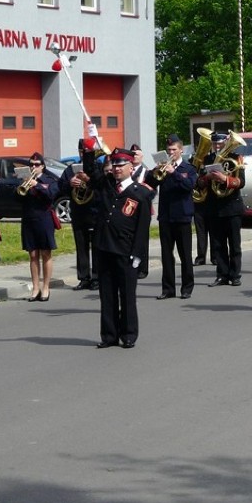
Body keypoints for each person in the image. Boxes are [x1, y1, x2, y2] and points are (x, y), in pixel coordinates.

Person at [87, 147, 152, 349]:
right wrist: (89, 148)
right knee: (107, 296)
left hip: (125, 252)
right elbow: (91, 170)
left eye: (120, 165)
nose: (116, 169)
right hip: (104, 249)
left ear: (130, 167)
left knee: (127, 296)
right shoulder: (106, 185)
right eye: (114, 165)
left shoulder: (140, 193)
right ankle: (109, 335)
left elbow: (142, 229)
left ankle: (129, 334)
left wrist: (138, 256)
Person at [145, 134, 197, 300]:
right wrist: (154, 172)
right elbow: (151, 183)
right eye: (169, 150)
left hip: (182, 217)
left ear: (181, 150)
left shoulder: (188, 169)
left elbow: (188, 186)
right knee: (166, 255)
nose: (171, 152)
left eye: (174, 150)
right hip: (166, 217)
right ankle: (168, 289)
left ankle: (187, 288)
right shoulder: (163, 167)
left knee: (185, 255)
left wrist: (173, 172)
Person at [199, 132, 245, 286]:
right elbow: (199, 182)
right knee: (218, 244)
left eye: (219, 144)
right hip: (214, 207)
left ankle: (235, 274)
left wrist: (225, 179)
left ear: (226, 142)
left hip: (232, 206)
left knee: (234, 243)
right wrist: (207, 178)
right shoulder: (207, 159)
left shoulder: (236, 157)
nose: (217, 146)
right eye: (214, 144)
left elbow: (241, 181)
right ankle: (222, 275)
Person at [16, 152, 59, 302]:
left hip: (44, 219)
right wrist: (22, 183)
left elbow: (51, 195)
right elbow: (17, 197)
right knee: (33, 255)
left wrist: (38, 185)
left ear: (43, 166)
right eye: (32, 164)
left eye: (37, 165)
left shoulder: (49, 180)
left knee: (46, 253)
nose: (34, 167)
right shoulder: (25, 180)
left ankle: (46, 287)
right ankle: (35, 287)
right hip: (28, 219)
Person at [58, 139, 100, 291]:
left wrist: (88, 181)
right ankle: (84, 278)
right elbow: (60, 188)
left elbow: (102, 187)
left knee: (96, 247)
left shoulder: (97, 167)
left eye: (86, 152)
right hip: (78, 212)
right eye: (81, 151)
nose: (84, 154)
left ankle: (96, 277)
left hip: (95, 212)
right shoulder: (71, 169)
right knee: (81, 247)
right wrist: (70, 183)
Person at [129, 143, 152, 279]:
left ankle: (143, 268)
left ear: (142, 156)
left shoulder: (146, 172)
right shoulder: (127, 170)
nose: (134, 156)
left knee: (142, 238)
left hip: (142, 209)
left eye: (136, 154)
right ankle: (132, 264)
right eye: (132, 154)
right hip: (129, 209)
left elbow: (152, 192)